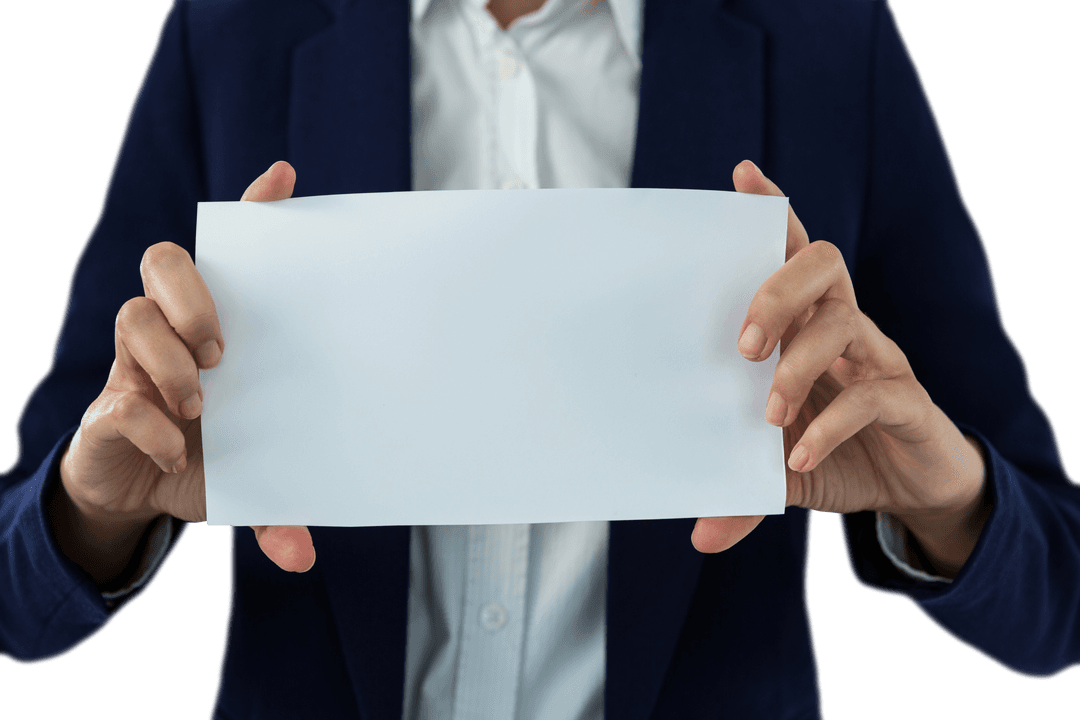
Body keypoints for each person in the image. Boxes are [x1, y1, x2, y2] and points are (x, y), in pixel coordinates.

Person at [2, 0, 1078, 717]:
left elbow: (1058, 605)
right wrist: (97, 512)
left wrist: (945, 502)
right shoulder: (233, 29)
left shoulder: (827, 38)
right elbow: (16, 596)